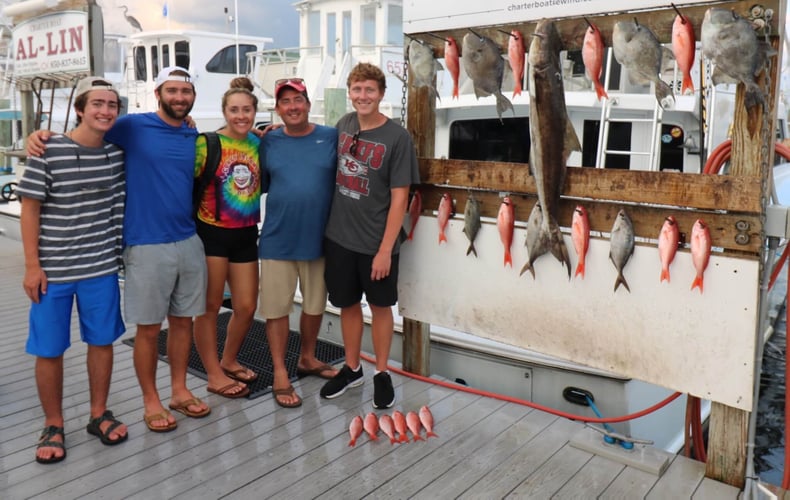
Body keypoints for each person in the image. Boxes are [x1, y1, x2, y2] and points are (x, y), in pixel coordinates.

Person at [29, 67, 212, 431]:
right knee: (147, 330)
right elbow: (87, 132)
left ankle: (178, 390)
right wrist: (40, 134)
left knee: (182, 323)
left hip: (187, 240)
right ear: (158, 92)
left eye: (185, 91)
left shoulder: (192, 131)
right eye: (172, 90)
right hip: (144, 245)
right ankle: (150, 401)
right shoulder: (132, 126)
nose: (179, 97)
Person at [18, 77, 128, 463]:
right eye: (97, 103)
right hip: (54, 271)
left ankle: (98, 414)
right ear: (80, 109)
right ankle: (53, 422)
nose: (105, 111)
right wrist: (33, 266)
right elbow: (29, 208)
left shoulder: (116, 154)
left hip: (100, 267)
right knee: (49, 349)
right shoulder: (48, 150)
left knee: (102, 342)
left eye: (112, 104)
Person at [319, 63, 420, 409]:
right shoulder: (344, 125)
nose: (363, 96)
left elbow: (400, 198)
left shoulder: (397, 138)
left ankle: (381, 372)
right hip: (339, 237)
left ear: (381, 94)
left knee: (380, 307)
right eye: (357, 89)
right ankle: (352, 367)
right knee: (346, 304)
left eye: (370, 90)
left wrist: (384, 250)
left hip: (377, 243)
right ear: (350, 92)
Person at [258, 78, 339, 408]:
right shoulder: (268, 141)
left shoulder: (330, 136)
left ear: (308, 103)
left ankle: (307, 357)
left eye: (298, 100)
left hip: (320, 239)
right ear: (277, 109)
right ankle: (280, 371)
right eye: (286, 101)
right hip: (277, 238)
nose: (292, 106)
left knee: (315, 305)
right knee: (276, 309)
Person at [192, 77, 261, 398]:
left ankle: (229, 359)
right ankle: (213, 373)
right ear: (224, 111)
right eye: (234, 110)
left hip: (246, 233)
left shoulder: (258, 144)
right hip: (212, 234)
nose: (241, 116)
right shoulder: (206, 144)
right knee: (208, 308)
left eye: (246, 110)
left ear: (254, 111)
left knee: (246, 306)